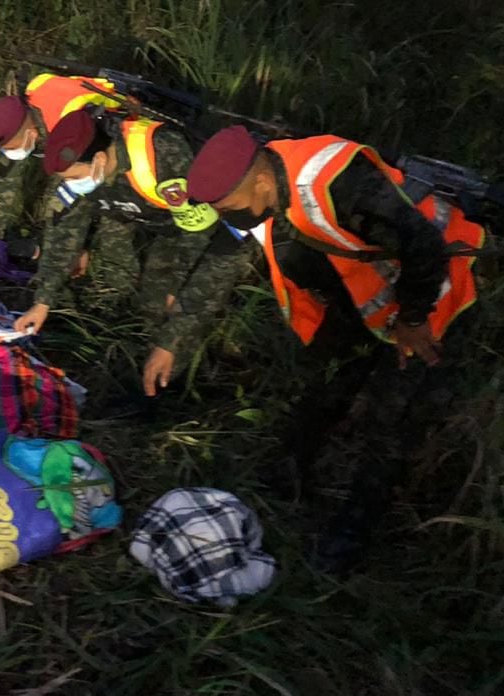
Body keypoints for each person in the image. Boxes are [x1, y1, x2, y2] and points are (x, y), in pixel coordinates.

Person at [185, 125, 486, 573]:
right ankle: (291, 469)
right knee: (325, 380)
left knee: (391, 415)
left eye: (229, 206)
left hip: (433, 295)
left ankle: (356, 526)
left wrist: (412, 319)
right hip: (368, 299)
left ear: (261, 182)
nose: (228, 216)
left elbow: (425, 245)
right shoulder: (268, 186)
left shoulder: (335, 182)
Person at [13, 108, 250, 397]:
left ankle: (183, 387)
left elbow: (200, 232)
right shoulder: (80, 171)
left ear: (100, 160)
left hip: (211, 232)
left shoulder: (163, 154)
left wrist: (179, 285)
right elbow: (63, 232)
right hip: (164, 224)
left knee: (178, 308)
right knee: (152, 309)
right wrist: (43, 301)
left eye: (75, 177)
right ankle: (154, 373)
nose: (72, 184)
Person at [0, 74, 126, 283]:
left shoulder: (67, 127)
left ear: (31, 134)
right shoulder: (19, 126)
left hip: (114, 150)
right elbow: (2, 188)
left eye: (13, 148)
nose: (12, 153)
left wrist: (79, 247)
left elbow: (80, 192)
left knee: (63, 206)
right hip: (75, 154)